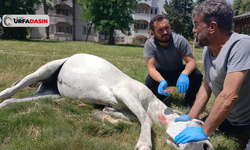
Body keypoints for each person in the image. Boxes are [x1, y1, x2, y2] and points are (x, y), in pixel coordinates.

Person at [174, 0, 250, 149]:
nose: (193, 30)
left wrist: (204, 130)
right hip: (230, 118)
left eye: (197, 24)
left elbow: (229, 96)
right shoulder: (208, 49)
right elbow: (206, 86)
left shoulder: (242, 45)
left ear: (212, 27)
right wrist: (191, 116)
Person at [143, 15, 203, 106]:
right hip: (161, 73)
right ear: (153, 33)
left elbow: (191, 61)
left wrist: (185, 74)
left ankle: (189, 101)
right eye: (160, 30)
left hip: (179, 72)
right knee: (149, 82)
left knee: (197, 75)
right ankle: (162, 96)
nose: (165, 32)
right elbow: (151, 68)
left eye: (167, 28)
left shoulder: (179, 40)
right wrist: (162, 81)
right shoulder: (150, 44)